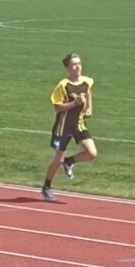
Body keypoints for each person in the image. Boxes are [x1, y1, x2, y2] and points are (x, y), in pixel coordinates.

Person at [42, 53, 97, 203]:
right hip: (63, 127)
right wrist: (74, 103)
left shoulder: (88, 81)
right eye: (74, 64)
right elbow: (57, 107)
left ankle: (70, 161)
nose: (77, 67)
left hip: (79, 124)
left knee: (92, 153)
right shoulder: (63, 85)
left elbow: (88, 92)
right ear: (67, 68)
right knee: (58, 159)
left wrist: (89, 108)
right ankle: (47, 186)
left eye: (79, 63)